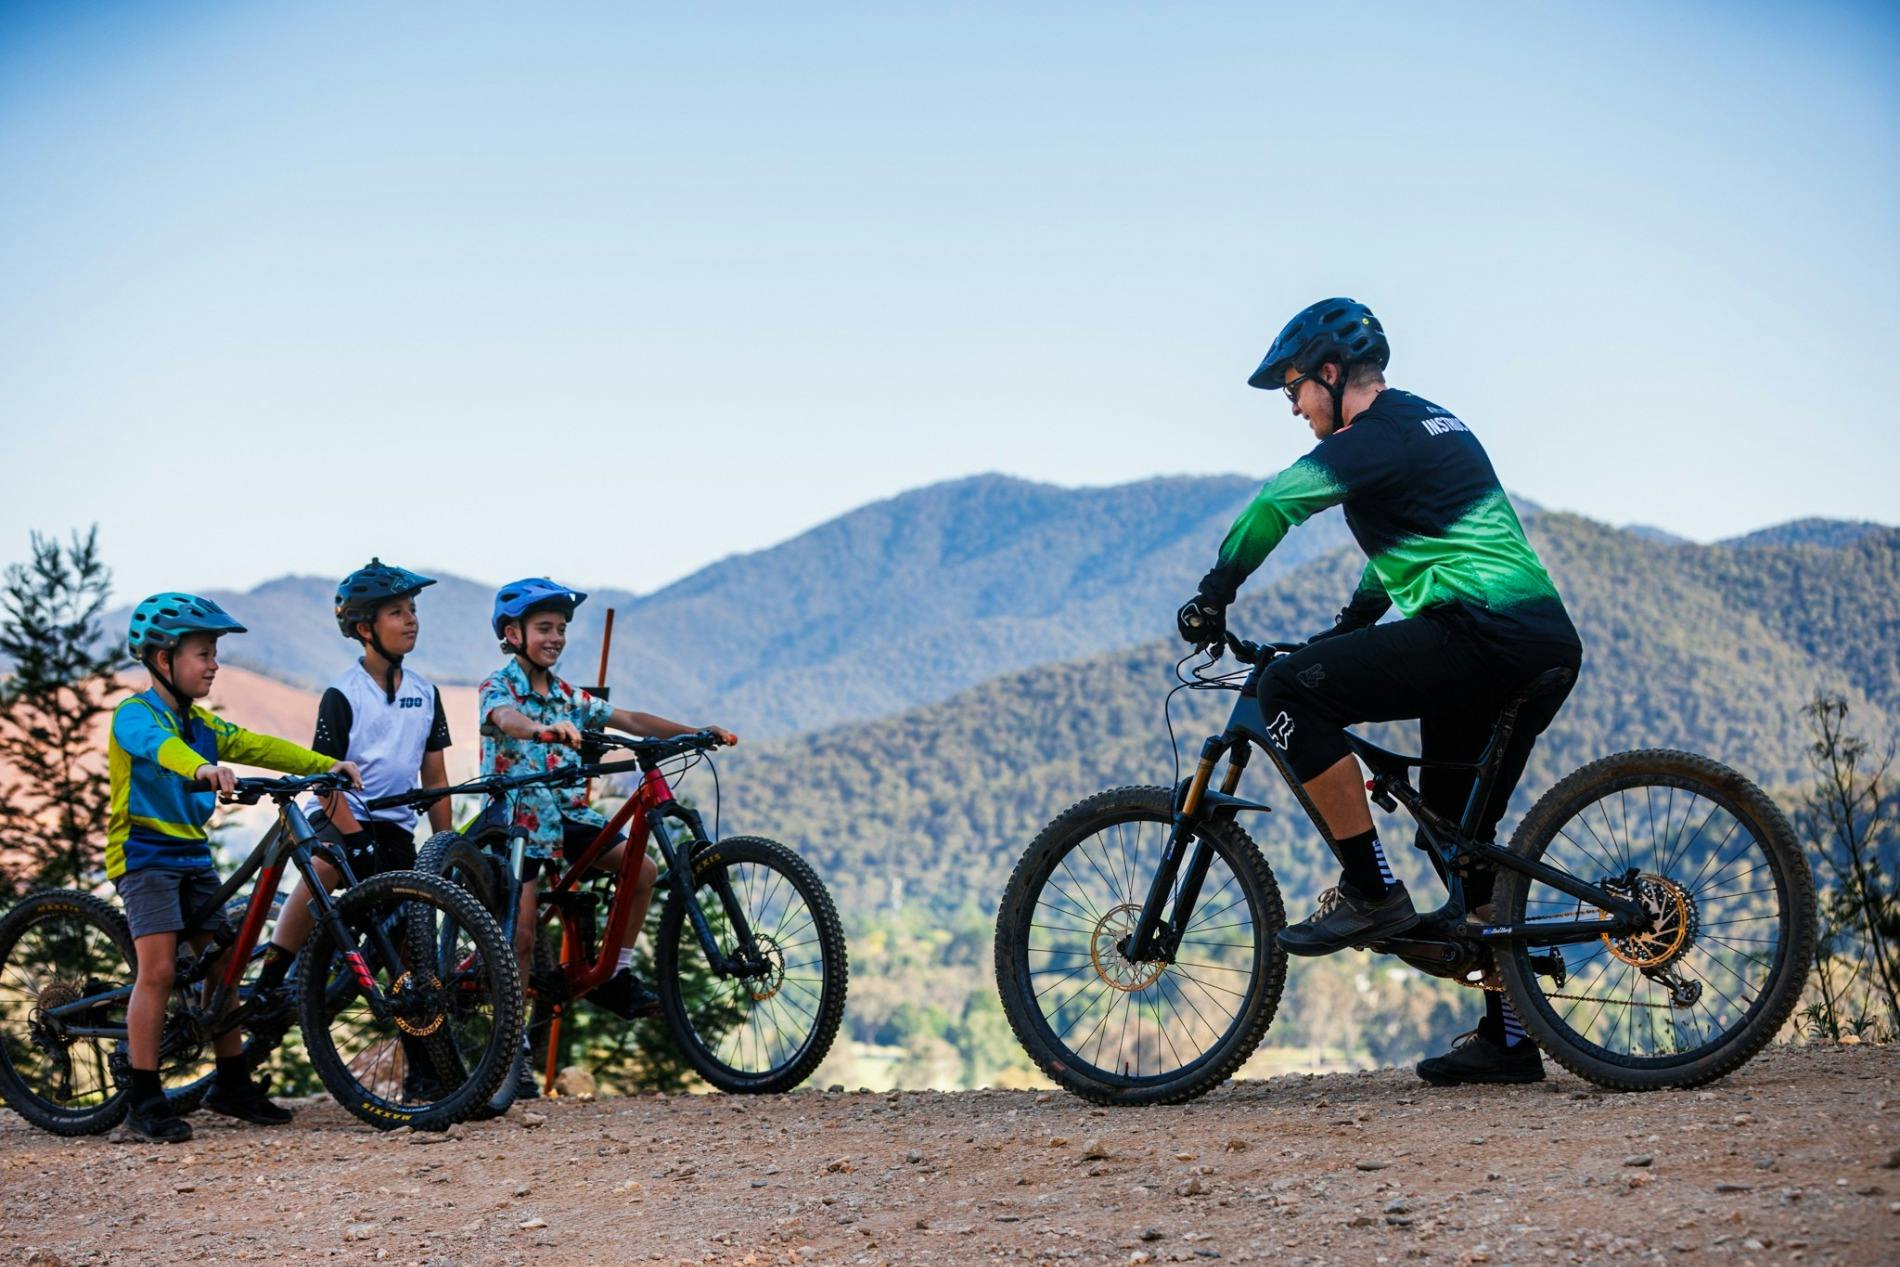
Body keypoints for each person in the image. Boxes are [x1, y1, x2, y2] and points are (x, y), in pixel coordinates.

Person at [1177, 298, 1583, 1085]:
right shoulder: (1428, 424)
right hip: (1535, 641)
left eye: (1295, 386)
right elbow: (1414, 542)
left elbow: (1274, 504)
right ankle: (1507, 1037)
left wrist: (1214, 592)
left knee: (1290, 689)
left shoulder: (1372, 439)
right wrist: (1352, 623)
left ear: (1332, 374)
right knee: (1458, 832)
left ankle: (1370, 889)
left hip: (1480, 634)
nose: (1292, 405)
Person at [110, 593, 361, 1141]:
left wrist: (326, 766)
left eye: (214, 653)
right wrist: (201, 769)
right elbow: (160, 749)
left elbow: (259, 746)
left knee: (222, 966)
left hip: (190, 854)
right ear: (161, 660)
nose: (214, 664)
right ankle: (144, 1099)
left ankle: (231, 1081)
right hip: (145, 855)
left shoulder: (202, 722)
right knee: (157, 972)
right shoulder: (136, 716)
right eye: (202, 653)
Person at [479, 578, 737, 1031]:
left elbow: (632, 719)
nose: (555, 637)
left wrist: (693, 732)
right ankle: (511, 1044)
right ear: (513, 634)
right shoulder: (498, 686)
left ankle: (614, 975)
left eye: (560, 628)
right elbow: (505, 719)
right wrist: (540, 730)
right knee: (519, 936)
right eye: (544, 627)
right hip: (518, 821)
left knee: (642, 872)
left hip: (568, 815)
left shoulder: (568, 696)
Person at [248, 560, 453, 1097]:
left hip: (397, 828)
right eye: (396, 612)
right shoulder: (343, 694)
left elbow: (434, 773)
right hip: (346, 818)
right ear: (365, 628)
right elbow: (324, 780)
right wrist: (356, 842)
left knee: (409, 950)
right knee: (320, 866)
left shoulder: (426, 692)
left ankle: (422, 1071)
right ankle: (274, 976)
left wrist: (446, 848)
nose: (410, 621)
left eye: (412, 611)